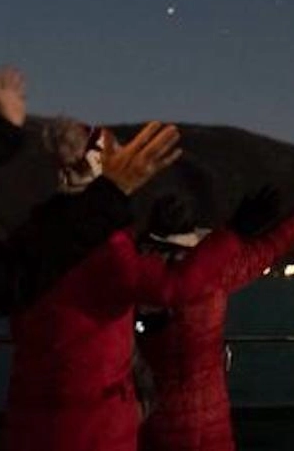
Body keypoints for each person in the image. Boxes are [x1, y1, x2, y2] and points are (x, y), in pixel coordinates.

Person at [5, 117, 251, 451]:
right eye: (114, 156)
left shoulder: (33, 229)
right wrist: (232, 236)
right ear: (94, 163)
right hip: (93, 424)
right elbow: (172, 287)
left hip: (29, 415)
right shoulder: (102, 241)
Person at [136, 183, 294, 451]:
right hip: (211, 425)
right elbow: (272, 244)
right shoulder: (216, 271)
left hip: (152, 422)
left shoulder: (133, 275)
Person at [0, 68, 187, 316]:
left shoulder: (46, 221)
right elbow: (165, 289)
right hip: (91, 352)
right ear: (92, 162)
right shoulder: (98, 234)